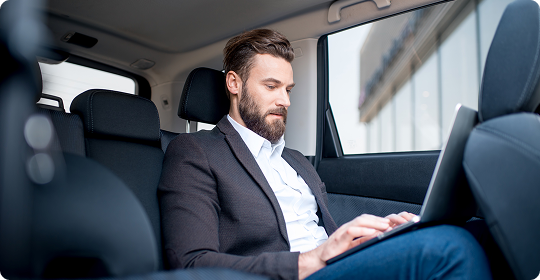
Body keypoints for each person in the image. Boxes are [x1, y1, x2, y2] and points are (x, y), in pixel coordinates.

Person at [158, 29, 492, 280]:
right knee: (449, 248)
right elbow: (191, 262)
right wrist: (312, 260)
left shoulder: (297, 161)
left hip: (335, 265)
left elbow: (322, 233)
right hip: (297, 273)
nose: (285, 101)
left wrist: (373, 236)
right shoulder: (195, 152)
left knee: (478, 233)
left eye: (288, 90)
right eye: (271, 87)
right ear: (234, 83)